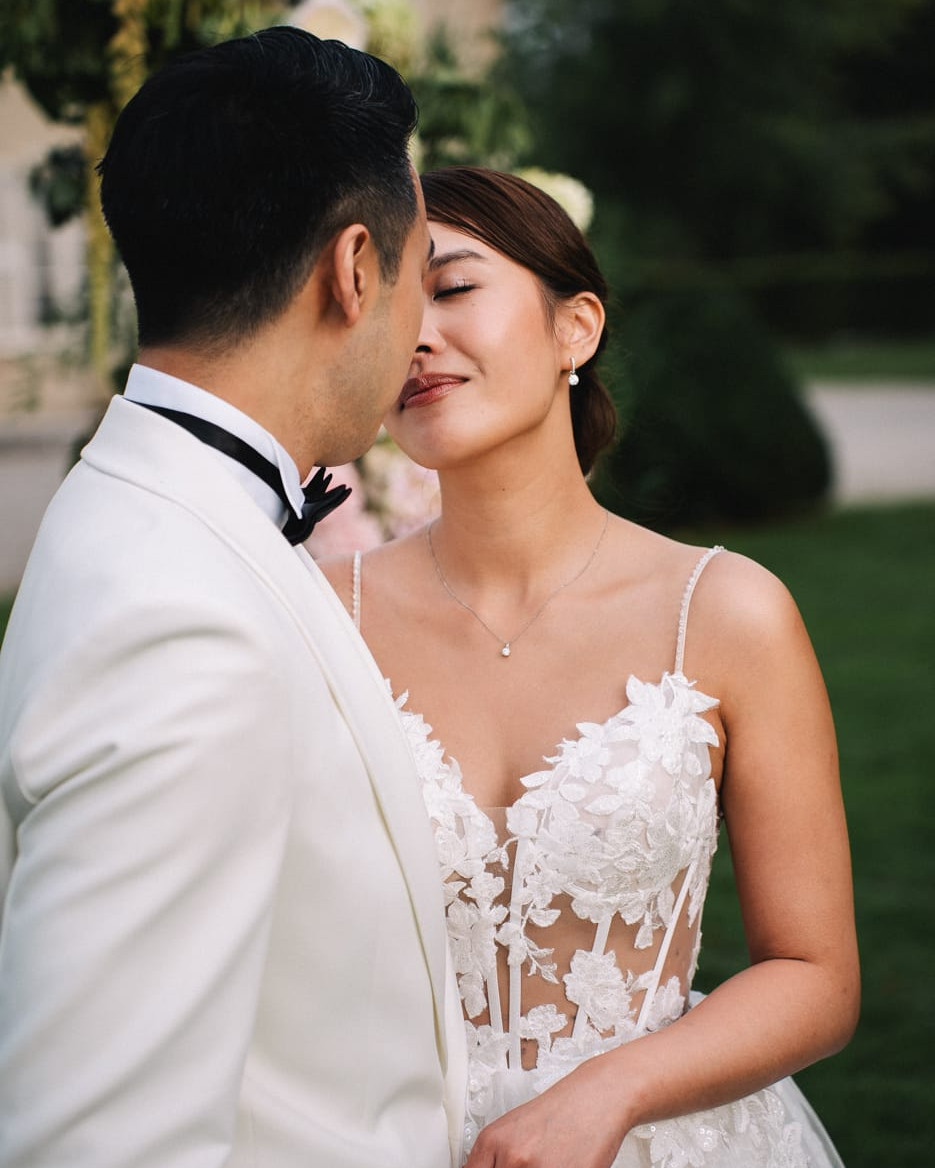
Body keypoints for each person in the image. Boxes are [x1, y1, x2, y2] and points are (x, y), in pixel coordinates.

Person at [321, 166, 859, 1168]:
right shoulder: (318, 613)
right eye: (384, 311)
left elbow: (815, 975)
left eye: (451, 287)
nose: (415, 337)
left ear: (575, 327)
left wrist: (607, 1093)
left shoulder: (725, 612)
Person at [0, 29, 466, 1168]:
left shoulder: (157, 512)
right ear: (353, 269)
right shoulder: (179, 624)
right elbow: (104, 1141)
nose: (421, 326)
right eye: (422, 271)